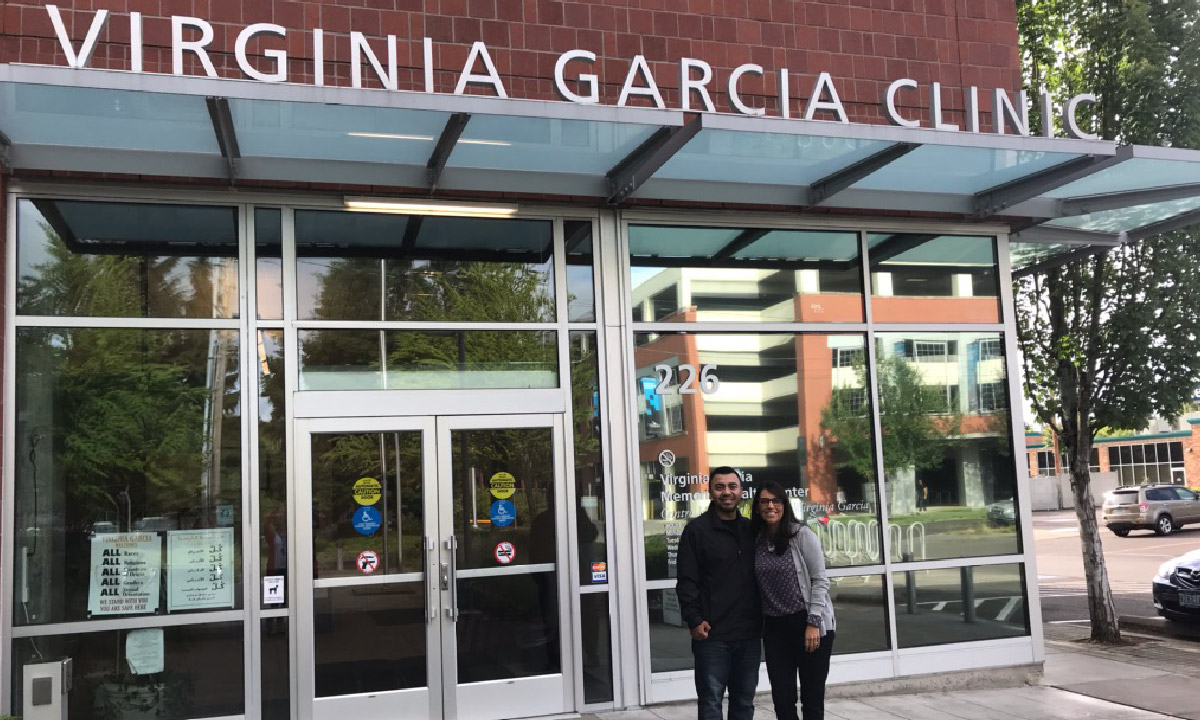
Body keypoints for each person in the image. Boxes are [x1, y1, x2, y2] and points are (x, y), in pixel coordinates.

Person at [676, 467, 762, 720]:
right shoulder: (696, 531)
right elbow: (687, 581)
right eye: (720, 487)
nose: (727, 492)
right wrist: (693, 619)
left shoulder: (752, 530)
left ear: (741, 491)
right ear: (711, 491)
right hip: (712, 635)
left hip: (748, 634)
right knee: (711, 703)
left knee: (744, 703)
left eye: (732, 487)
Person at [751, 481, 836, 720]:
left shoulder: (801, 535)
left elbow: (820, 580)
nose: (770, 506)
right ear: (757, 507)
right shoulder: (755, 540)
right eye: (764, 501)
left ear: (784, 505)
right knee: (783, 701)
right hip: (775, 629)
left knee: (812, 700)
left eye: (776, 501)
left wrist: (813, 622)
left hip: (808, 624)